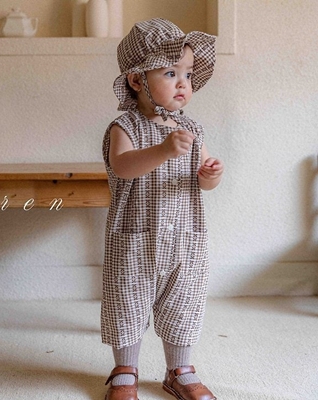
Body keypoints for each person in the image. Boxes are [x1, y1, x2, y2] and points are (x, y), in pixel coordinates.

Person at [101, 18, 224, 400]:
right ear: (137, 80)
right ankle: (125, 370)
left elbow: (203, 182)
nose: (183, 82)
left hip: (185, 237)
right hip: (134, 237)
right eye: (171, 73)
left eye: (187, 73)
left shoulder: (192, 130)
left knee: (184, 303)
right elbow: (123, 166)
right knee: (128, 302)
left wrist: (210, 174)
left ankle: (179, 369)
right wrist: (164, 150)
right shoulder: (125, 127)